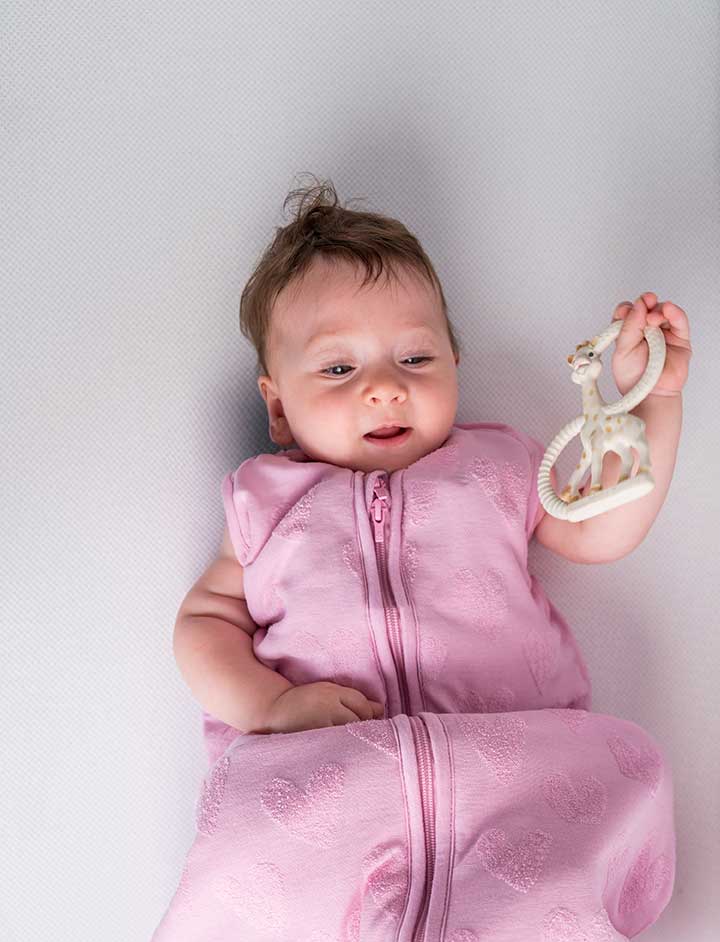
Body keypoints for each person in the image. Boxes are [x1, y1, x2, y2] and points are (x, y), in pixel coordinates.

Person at [171, 176, 692, 753]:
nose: (386, 387)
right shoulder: (266, 502)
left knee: (618, 772)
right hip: (332, 765)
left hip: (514, 761)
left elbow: (599, 529)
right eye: (339, 369)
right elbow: (206, 622)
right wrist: (270, 705)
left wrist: (654, 398)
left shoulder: (497, 469)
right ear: (278, 408)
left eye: (415, 358)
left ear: (454, 367)